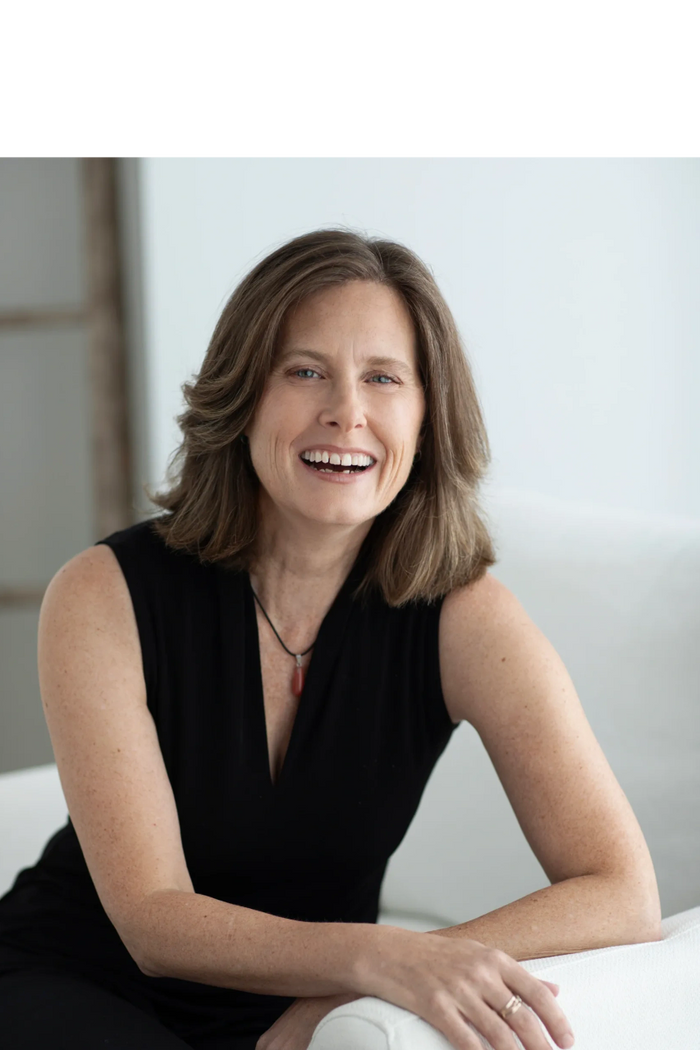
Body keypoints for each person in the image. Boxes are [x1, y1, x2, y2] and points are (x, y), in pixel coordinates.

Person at [0, 229, 661, 1050]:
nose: (346, 411)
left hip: (311, 1012)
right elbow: (153, 923)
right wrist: (378, 960)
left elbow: (621, 891)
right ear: (244, 396)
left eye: (383, 378)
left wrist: (383, 978)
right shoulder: (103, 594)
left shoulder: (467, 620)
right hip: (70, 982)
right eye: (304, 370)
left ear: (426, 417)